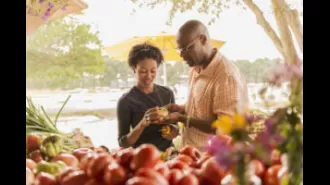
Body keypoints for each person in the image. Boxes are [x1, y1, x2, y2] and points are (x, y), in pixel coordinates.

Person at [163, 20, 249, 151]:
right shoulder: (195, 69)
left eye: (185, 48)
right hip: (188, 154)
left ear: (202, 39)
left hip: (210, 160)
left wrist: (182, 118)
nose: (181, 55)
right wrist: (180, 109)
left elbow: (225, 128)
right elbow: (200, 108)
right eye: (179, 49)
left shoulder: (226, 75)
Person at [116, 43, 180, 152]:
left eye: (153, 71)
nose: (148, 76)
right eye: (143, 71)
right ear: (134, 69)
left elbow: (176, 127)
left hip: (169, 154)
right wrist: (142, 124)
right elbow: (123, 142)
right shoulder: (126, 101)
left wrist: (170, 131)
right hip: (143, 157)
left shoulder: (167, 93)